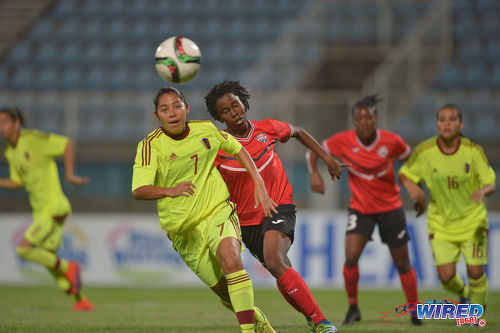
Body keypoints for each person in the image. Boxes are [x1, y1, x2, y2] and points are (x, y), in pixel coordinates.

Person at [131, 87, 277, 333]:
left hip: (216, 210)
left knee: (232, 260)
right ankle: (255, 316)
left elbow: (238, 149)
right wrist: (170, 190)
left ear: (186, 108)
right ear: (157, 116)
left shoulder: (206, 130)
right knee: (224, 291)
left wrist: (259, 184)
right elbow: (139, 190)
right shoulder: (150, 146)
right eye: (164, 109)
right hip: (183, 230)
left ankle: (248, 330)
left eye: (177, 106)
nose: (172, 113)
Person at [205, 80, 344, 333]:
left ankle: (322, 322)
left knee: (274, 259)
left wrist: (326, 158)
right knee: (280, 269)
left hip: (279, 206)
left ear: (243, 103)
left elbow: (298, 132)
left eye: (235, 105)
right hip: (246, 222)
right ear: (218, 117)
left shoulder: (267, 128)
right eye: (225, 111)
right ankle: (313, 320)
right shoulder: (218, 147)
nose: (233, 112)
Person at [307, 95, 422, 326]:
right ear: (354, 122)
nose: (364, 122)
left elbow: (412, 160)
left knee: (402, 264)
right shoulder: (343, 141)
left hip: (391, 208)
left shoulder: (392, 142)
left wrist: (413, 184)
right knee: (350, 257)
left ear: (376, 119)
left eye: (369, 117)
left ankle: (414, 312)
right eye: (359, 118)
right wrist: (314, 173)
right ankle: (353, 308)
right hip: (360, 209)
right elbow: (313, 151)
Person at [398, 104, 495, 318]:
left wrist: (483, 190)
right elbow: (404, 174)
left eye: (452, 120)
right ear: (437, 124)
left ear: (461, 124)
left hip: (472, 221)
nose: (447, 123)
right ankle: (464, 293)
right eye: (442, 119)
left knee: (475, 271)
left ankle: (474, 316)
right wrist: (413, 188)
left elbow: (490, 182)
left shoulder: (473, 151)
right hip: (441, 223)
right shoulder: (425, 151)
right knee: (446, 276)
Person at [0, 107, 92, 311]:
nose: (1, 127)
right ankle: (81, 301)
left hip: (52, 207)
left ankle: (71, 267)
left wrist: (69, 175)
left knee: (24, 249)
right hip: (41, 210)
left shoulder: (32, 139)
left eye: (4, 122)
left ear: (16, 123)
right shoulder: (9, 151)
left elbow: (66, 144)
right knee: (50, 259)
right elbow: (17, 182)